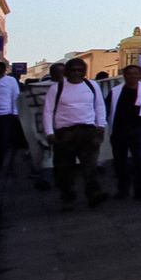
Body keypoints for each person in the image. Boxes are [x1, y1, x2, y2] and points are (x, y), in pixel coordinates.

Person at [41, 58, 108, 210]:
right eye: (73, 70)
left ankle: (93, 195)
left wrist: (101, 126)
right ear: (66, 72)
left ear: (84, 72)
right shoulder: (56, 88)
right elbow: (47, 111)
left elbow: (99, 106)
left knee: (90, 167)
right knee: (65, 169)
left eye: (80, 70)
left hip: (88, 132)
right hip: (65, 133)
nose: (76, 73)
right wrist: (49, 133)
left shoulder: (92, 86)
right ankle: (68, 197)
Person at [107, 64, 141, 200]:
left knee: (140, 159)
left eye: (135, 73)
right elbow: (107, 109)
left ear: (140, 75)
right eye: (129, 73)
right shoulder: (115, 91)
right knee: (120, 161)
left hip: (139, 128)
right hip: (119, 130)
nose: (132, 76)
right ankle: (123, 189)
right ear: (124, 75)